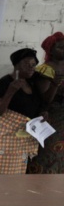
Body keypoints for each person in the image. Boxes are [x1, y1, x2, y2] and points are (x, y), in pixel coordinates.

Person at [0, 48, 52, 174]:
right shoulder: (5, 83)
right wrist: (10, 91)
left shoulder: (32, 84)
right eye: (27, 64)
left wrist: (42, 115)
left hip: (21, 141)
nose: (31, 68)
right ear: (16, 65)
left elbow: (35, 107)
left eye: (33, 65)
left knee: (16, 176)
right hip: (4, 140)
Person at [27, 32, 64, 174]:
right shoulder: (45, 69)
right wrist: (56, 84)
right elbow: (43, 99)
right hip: (51, 116)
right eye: (61, 47)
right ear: (51, 50)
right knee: (48, 152)